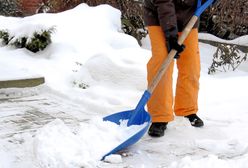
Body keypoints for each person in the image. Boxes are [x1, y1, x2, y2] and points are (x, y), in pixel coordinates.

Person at [143, 0, 204, 137]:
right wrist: (170, 35)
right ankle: (160, 117)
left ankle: (187, 110)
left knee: (191, 63)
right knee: (162, 60)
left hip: (189, 16)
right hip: (159, 15)